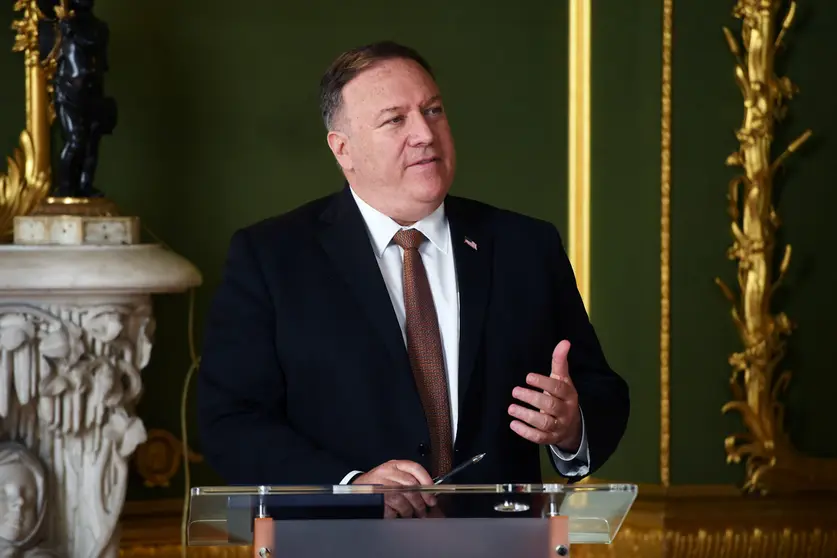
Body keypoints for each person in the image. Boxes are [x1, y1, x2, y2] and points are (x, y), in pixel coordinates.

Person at [197, 41, 629, 519]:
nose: (425, 132)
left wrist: (572, 428)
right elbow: (231, 422)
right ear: (344, 150)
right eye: (395, 120)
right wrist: (350, 486)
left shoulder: (525, 247)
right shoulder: (273, 257)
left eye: (433, 110)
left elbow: (598, 389)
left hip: (500, 543)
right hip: (340, 546)